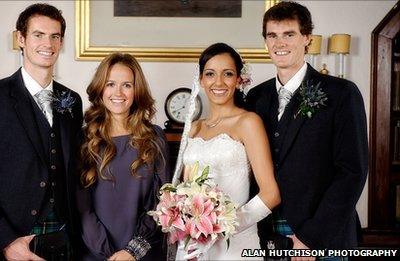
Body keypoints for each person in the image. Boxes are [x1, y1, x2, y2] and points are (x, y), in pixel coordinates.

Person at [0, 3, 83, 260]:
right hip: (1, 243)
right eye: (38, 34)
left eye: (55, 36)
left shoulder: (72, 100)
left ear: (61, 42)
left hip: (59, 239)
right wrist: (7, 242)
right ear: (21, 39)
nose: (47, 43)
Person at [243, 1, 369, 255]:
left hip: (325, 234)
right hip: (269, 235)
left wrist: (311, 238)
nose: (279, 43)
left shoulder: (341, 93)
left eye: (289, 34)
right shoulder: (256, 97)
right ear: (266, 42)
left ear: (307, 38)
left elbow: (352, 171)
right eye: (272, 36)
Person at [174, 42, 281, 260]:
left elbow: (271, 194)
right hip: (192, 245)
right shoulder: (194, 128)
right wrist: (186, 224)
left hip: (235, 245)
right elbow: (184, 189)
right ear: (201, 80)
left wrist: (217, 230)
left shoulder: (248, 122)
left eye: (228, 74)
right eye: (210, 74)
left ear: (239, 80)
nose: (219, 82)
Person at [77, 52, 170, 261]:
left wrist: (132, 251)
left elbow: (163, 201)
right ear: (100, 88)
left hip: (143, 253)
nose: (118, 92)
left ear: (137, 91)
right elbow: (81, 207)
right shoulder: (83, 138)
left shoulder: (155, 137)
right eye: (110, 84)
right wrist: (108, 254)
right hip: (95, 254)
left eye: (127, 85)